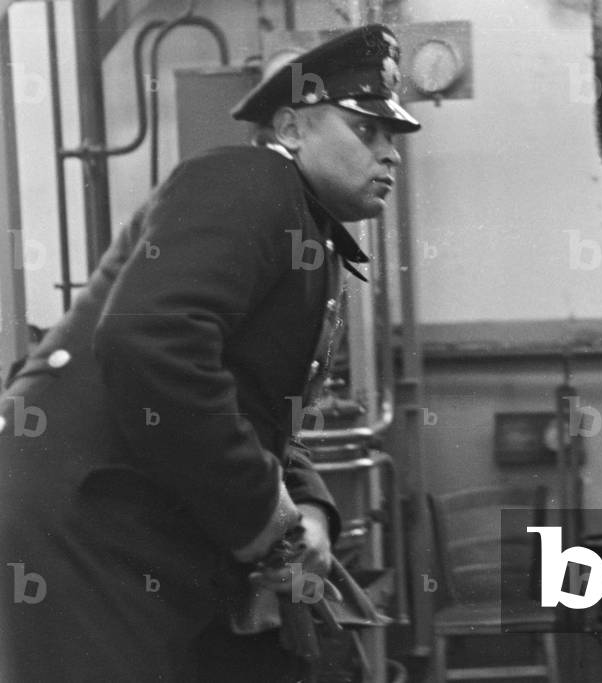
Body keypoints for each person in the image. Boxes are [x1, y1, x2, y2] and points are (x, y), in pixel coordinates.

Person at [0, 23, 419, 682]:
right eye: (365, 131)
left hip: (137, 516)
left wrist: (306, 507)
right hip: (88, 520)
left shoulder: (304, 226)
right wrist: (261, 512)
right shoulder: (246, 181)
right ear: (290, 127)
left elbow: (256, 404)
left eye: (391, 135)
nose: (389, 153)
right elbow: (149, 339)